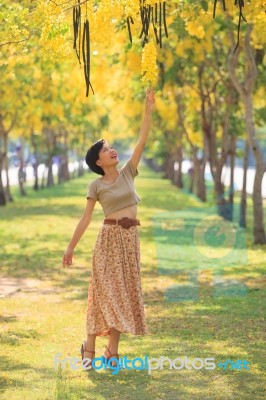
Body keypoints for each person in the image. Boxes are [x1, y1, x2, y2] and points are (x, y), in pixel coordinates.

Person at [62, 88, 155, 370]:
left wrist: (148, 109)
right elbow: (86, 218)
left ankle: (111, 351)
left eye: (110, 147)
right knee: (104, 293)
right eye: (105, 150)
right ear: (98, 162)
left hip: (130, 240)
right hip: (109, 239)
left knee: (124, 294)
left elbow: (141, 141)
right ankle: (89, 346)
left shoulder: (128, 172)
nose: (111, 150)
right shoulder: (96, 186)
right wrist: (70, 247)